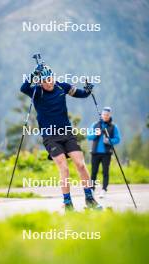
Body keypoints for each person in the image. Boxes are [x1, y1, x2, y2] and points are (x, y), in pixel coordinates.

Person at [20, 64, 102, 211]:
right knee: (64, 168)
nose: (49, 82)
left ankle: (90, 199)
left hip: (67, 133)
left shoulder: (61, 87)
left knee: (81, 165)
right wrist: (33, 73)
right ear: (40, 81)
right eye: (45, 80)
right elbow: (23, 88)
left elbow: (79, 93)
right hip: (50, 136)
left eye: (51, 79)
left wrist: (88, 91)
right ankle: (68, 204)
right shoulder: (36, 92)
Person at [87, 107, 121, 198]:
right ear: (101, 115)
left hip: (106, 153)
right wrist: (95, 134)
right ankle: (92, 189)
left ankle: (103, 189)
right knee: (94, 172)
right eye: (104, 114)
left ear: (110, 115)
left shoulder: (113, 127)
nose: (105, 116)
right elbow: (89, 136)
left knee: (105, 171)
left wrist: (109, 141)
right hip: (95, 153)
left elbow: (117, 139)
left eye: (107, 115)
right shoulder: (95, 124)